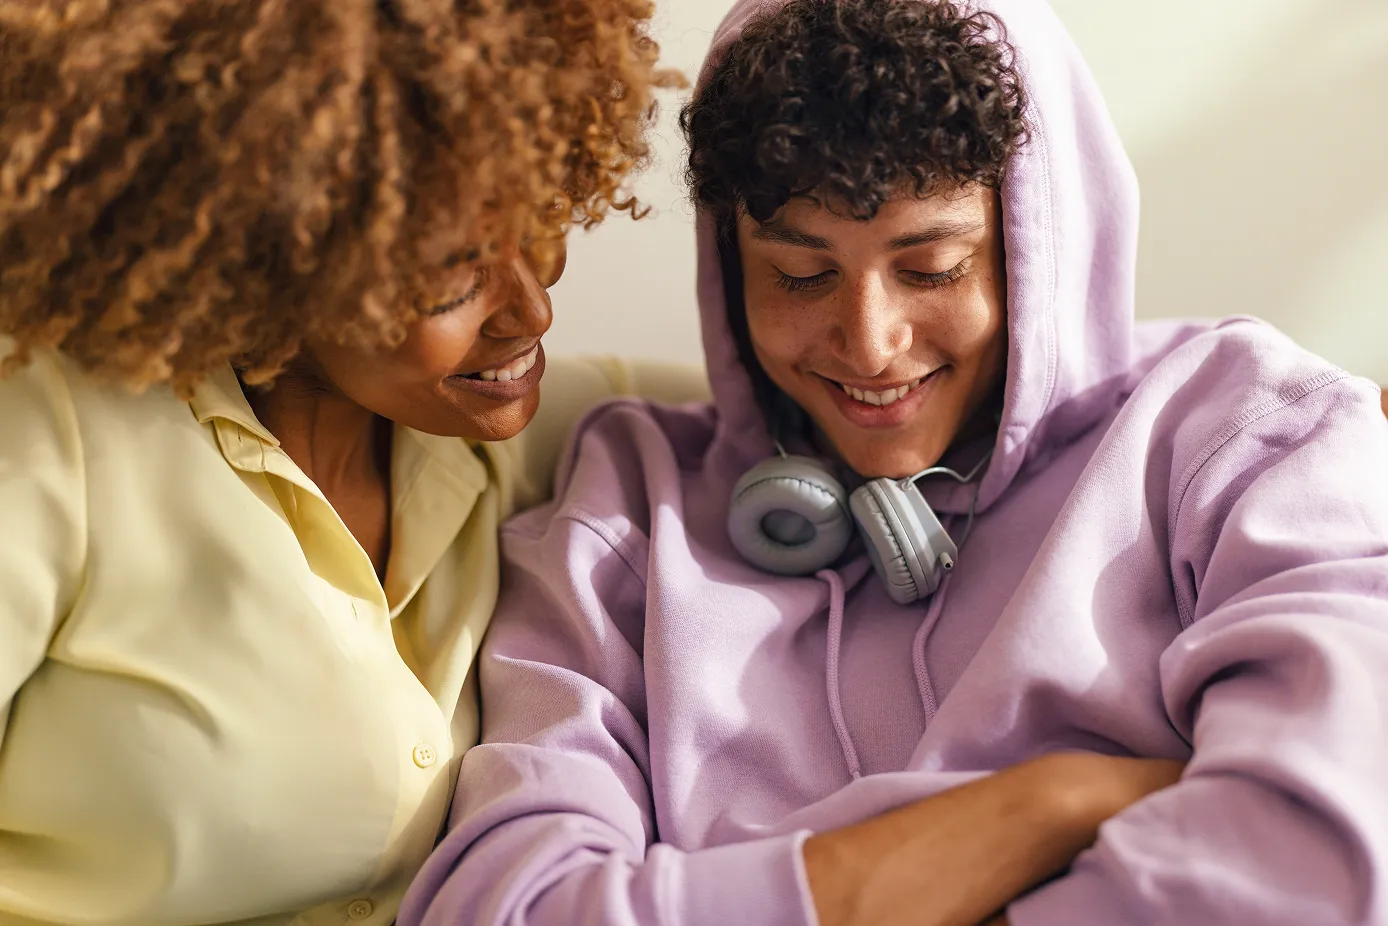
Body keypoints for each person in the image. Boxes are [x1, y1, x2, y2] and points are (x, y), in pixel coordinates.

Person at [399, 0, 1388, 924]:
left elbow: (1319, 846)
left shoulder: (1246, 434)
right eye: (798, 273)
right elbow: (506, 901)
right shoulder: (629, 498)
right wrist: (1052, 801)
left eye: (930, 268)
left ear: (1033, 245)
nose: (868, 344)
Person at [0, 1, 708, 924]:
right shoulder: (45, 439)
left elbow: (812, 391)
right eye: (452, 278)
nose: (530, 310)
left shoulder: (504, 430)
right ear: (275, 262)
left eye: (542, 219)